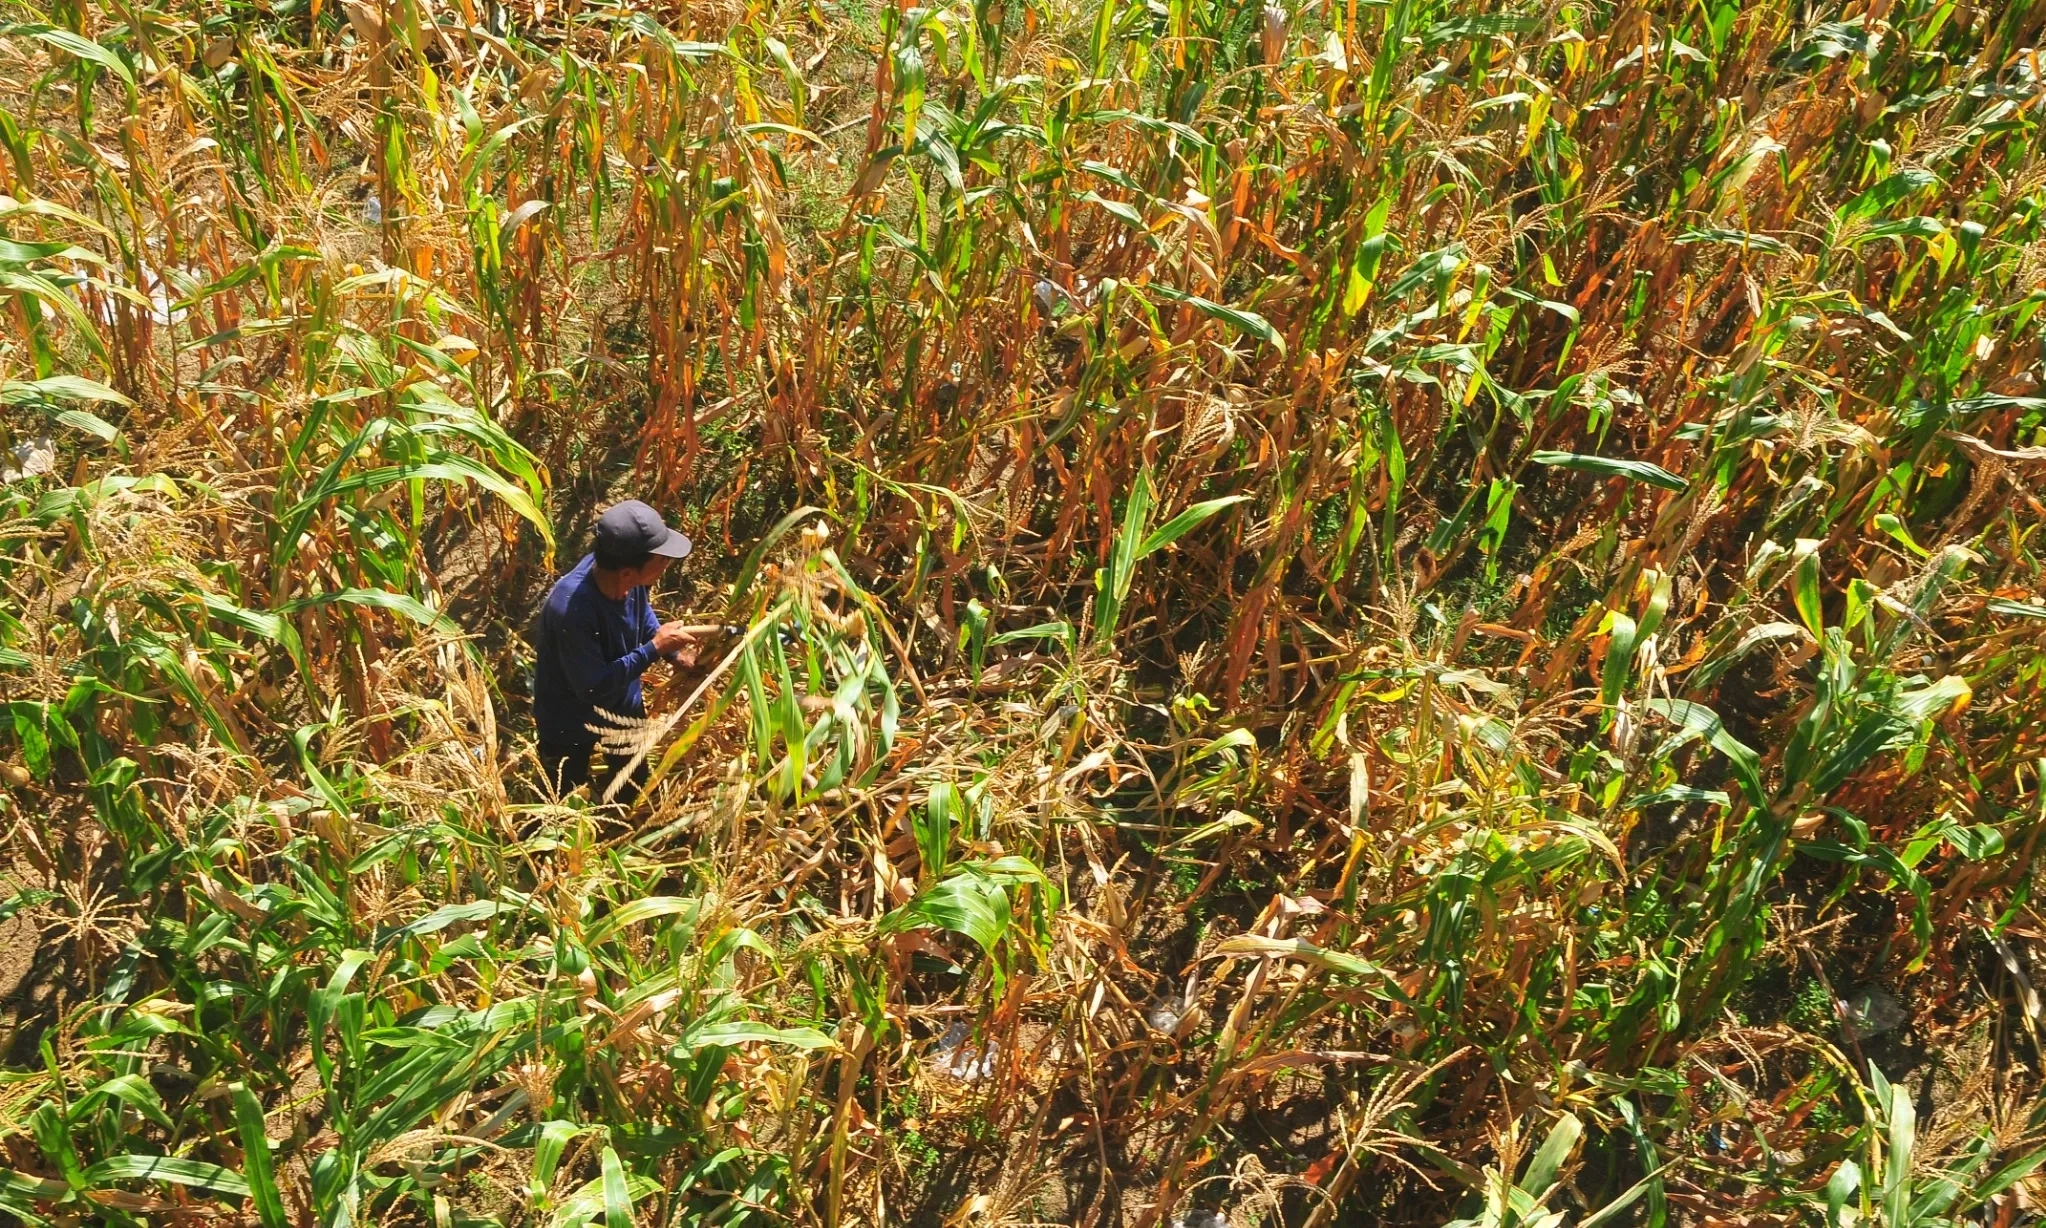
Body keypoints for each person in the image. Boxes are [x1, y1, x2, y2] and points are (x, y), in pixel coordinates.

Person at [533, 500, 706, 797]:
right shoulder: (570, 610)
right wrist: (654, 647)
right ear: (627, 573)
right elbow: (592, 688)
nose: (666, 564)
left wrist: (672, 652)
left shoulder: (622, 571)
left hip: (622, 706)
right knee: (565, 798)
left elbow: (641, 611)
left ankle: (627, 821)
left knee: (633, 784)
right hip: (570, 721)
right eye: (661, 560)